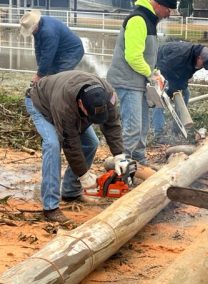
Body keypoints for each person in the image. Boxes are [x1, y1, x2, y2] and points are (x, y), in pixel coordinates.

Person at [25, 70, 128, 224]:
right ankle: (50, 207)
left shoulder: (108, 94)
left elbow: (112, 124)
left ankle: (71, 192)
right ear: (81, 104)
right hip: (41, 104)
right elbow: (70, 143)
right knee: (53, 145)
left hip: (67, 105)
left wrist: (119, 155)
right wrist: (83, 175)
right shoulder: (65, 105)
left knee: (91, 143)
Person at [107, 0, 177, 165]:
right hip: (127, 80)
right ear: (158, 4)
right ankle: (125, 166)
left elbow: (145, 55)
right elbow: (133, 56)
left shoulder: (150, 20)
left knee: (143, 124)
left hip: (139, 81)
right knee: (133, 127)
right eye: (169, 9)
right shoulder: (138, 20)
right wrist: (150, 75)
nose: (170, 13)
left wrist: (154, 73)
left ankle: (138, 158)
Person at [152, 41, 208, 143]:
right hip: (158, 67)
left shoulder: (195, 62)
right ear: (199, 58)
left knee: (186, 93)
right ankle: (159, 134)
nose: (202, 67)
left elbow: (186, 75)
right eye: (203, 64)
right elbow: (163, 67)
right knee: (161, 99)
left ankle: (177, 128)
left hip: (171, 71)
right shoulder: (180, 54)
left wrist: (180, 86)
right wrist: (171, 87)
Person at [19, 10, 84, 84]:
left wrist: (39, 74)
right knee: (50, 74)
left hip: (72, 51)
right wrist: (40, 67)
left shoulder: (48, 32)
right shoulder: (38, 26)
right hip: (59, 49)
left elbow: (47, 54)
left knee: (60, 78)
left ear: (35, 25)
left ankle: (67, 92)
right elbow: (38, 47)